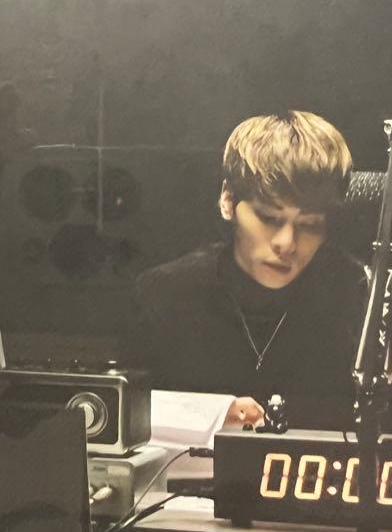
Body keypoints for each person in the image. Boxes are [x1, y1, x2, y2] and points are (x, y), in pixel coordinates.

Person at [133, 111, 368, 432]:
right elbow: (124, 411)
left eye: (310, 224)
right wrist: (210, 415)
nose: (287, 243)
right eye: (269, 218)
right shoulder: (166, 293)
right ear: (227, 200)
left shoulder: (354, 292)